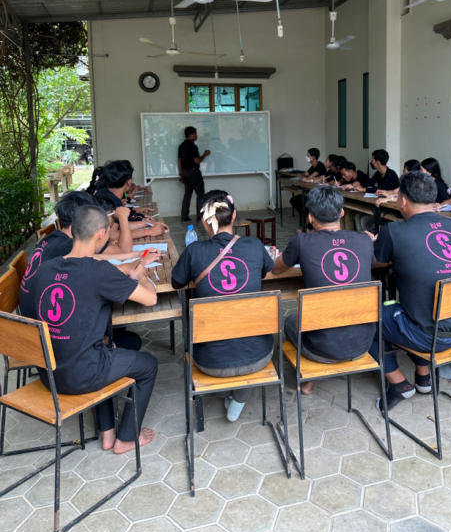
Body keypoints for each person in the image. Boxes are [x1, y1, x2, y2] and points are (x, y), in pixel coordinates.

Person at [27, 206, 159, 454]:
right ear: (101, 235)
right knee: (149, 364)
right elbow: (150, 299)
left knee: (118, 345)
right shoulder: (98, 272)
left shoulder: (46, 269)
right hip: (81, 375)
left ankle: (107, 433)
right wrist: (140, 272)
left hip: (50, 373)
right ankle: (126, 439)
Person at [370, 171, 451, 410]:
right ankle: (423, 377)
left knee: (367, 318)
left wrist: (371, 241)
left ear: (403, 200)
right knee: (413, 309)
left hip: (431, 335)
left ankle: (398, 383)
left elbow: (376, 260)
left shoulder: (394, 231)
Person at [171, 191, 275, 422]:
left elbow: (176, 282)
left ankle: (221, 389)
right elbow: (267, 269)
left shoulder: (194, 251)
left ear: (205, 223)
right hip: (258, 357)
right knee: (247, 341)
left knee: (194, 309)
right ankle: (237, 402)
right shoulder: (255, 245)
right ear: (235, 215)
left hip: (209, 362)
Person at [272, 186, 377, 395]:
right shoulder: (364, 240)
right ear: (342, 213)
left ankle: (311, 378)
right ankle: (312, 379)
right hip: (363, 344)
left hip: (320, 349)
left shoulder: (302, 241)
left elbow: (275, 270)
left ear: (310, 218)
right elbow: (371, 262)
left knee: (290, 321)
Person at [355, 150, 400, 232]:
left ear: (378, 162)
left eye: (372, 160)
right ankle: (364, 241)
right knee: (358, 216)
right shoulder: (378, 173)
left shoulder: (391, 174)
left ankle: (371, 242)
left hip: (390, 208)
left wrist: (363, 189)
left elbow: (382, 189)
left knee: (364, 220)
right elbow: (369, 182)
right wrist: (355, 185)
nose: (371, 162)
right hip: (380, 206)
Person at [178, 126, 210, 223]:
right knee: (200, 194)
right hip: (193, 172)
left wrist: (180, 173)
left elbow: (179, 160)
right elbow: (197, 161)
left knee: (187, 194)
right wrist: (205, 154)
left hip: (184, 172)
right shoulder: (192, 146)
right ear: (191, 134)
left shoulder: (181, 146)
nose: (196, 135)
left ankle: (184, 217)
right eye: (195, 133)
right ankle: (200, 218)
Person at [290, 148, 327, 218]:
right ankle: (307, 217)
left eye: (308, 155)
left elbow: (309, 178)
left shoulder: (320, 166)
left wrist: (306, 178)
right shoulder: (313, 166)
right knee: (294, 200)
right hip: (311, 190)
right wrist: (302, 175)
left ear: (313, 157)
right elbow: (306, 174)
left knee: (298, 201)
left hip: (318, 193)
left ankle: (308, 218)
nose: (306, 157)